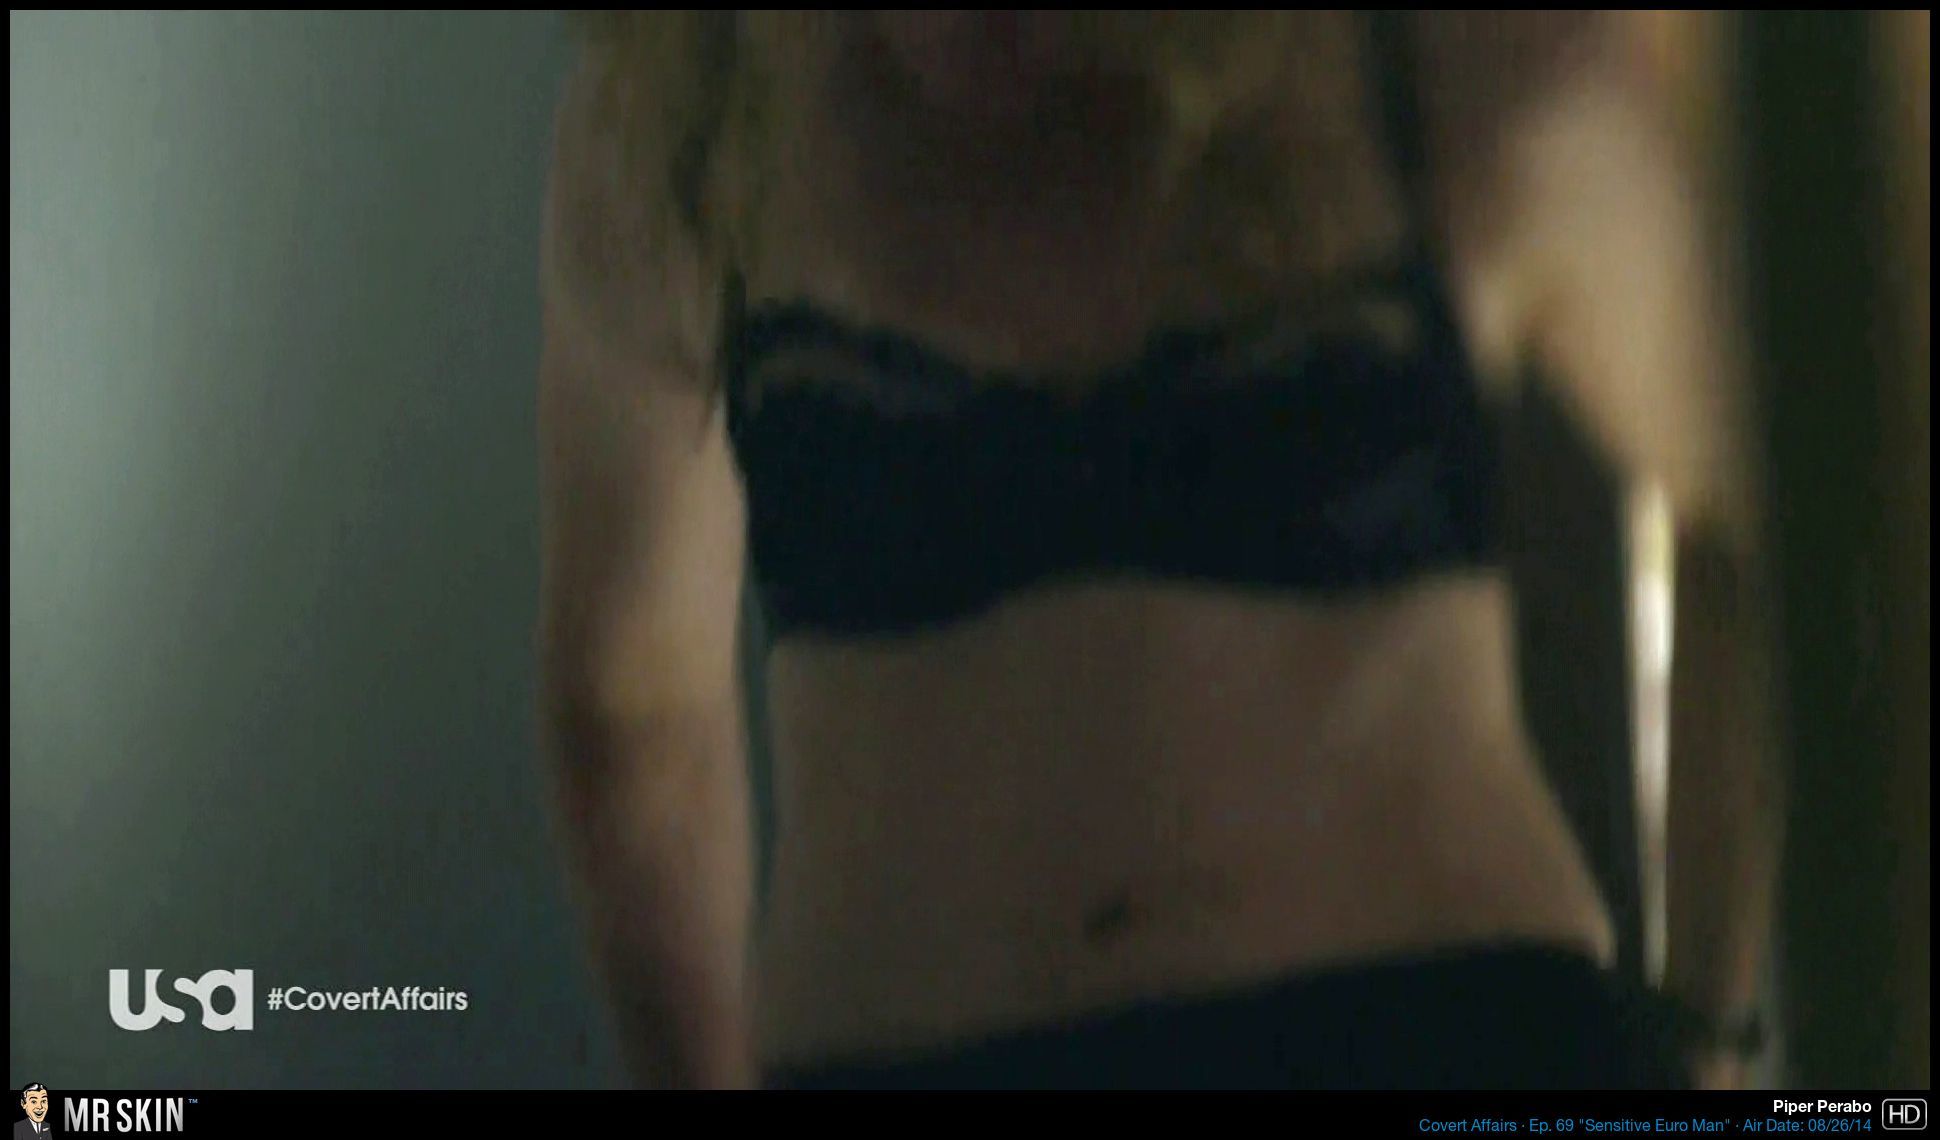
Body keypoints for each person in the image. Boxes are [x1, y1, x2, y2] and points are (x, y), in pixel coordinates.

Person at [536, 11, 1778, 1089]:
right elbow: (627, 726)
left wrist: (1709, 1025)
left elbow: (1774, 544)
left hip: (1435, 1028)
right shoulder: (689, 118)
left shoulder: (1459, 60)